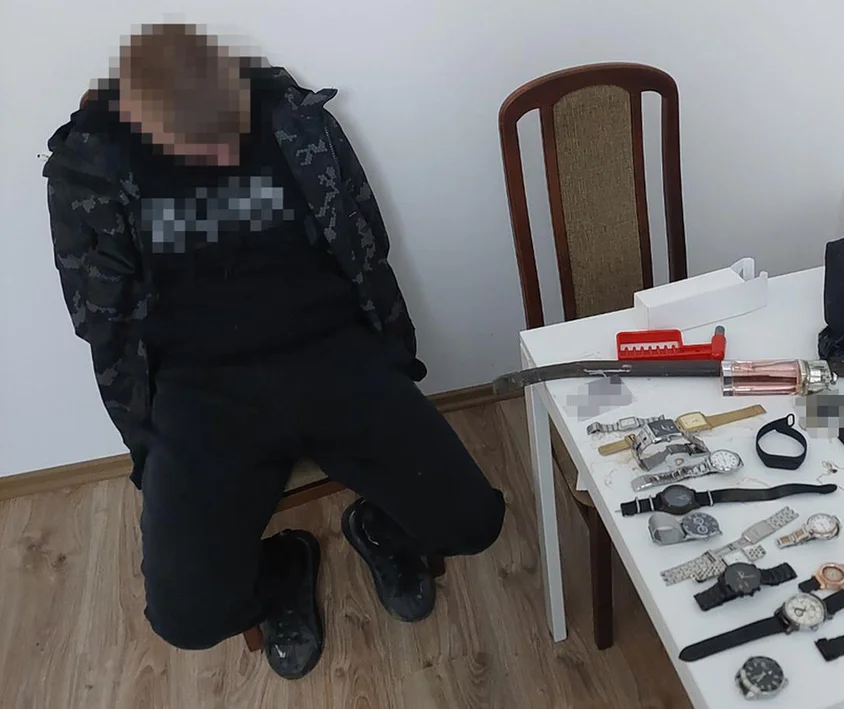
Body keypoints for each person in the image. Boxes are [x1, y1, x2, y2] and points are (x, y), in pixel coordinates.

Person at [42, 23, 506, 680]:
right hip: (200, 389)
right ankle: (287, 565)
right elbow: (98, 318)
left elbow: (364, 236)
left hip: (331, 351)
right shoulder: (90, 169)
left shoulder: (292, 121)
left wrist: (390, 356)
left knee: (476, 523)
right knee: (186, 616)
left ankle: (380, 525)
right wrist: (147, 441)